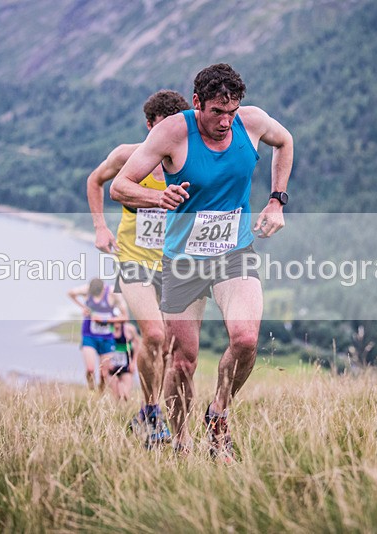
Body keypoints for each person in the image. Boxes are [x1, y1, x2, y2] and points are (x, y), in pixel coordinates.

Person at [110, 63, 293, 462]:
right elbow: (120, 186)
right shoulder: (172, 132)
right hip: (183, 262)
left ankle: (218, 414)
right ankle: (180, 442)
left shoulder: (251, 122)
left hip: (234, 253)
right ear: (197, 103)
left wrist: (277, 200)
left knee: (245, 339)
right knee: (183, 362)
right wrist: (157, 197)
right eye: (216, 112)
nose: (225, 122)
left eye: (232, 111)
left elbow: (285, 142)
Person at [86, 89, 191, 446]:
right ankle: (152, 412)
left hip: (174, 265)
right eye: (161, 129)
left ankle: (150, 414)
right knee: (155, 335)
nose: (167, 137)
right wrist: (100, 227)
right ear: (149, 126)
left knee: (171, 348)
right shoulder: (127, 156)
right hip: (133, 260)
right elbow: (95, 180)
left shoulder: (189, 161)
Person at [67, 278, 128, 390]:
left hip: (107, 337)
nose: (95, 298)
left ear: (103, 289)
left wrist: (105, 321)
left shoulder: (113, 293)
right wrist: (83, 307)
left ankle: (100, 393)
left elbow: (125, 317)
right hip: (89, 335)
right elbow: (70, 293)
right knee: (90, 369)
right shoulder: (87, 289)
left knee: (104, 373)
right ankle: (91, 390)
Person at [100, 320, 139, 402]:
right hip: (111, 368)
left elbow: (137, 344)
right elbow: (101, 347)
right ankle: (117, 410)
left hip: (126, 367)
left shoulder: (129, 329)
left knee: (125, 395)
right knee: (116, 396)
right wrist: (106, 363)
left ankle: (125, 407)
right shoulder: (107, 330)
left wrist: (133, 362)